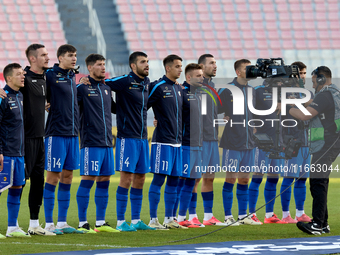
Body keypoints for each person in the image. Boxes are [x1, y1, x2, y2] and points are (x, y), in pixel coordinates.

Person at [104, 52, 155, 231]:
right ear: (133, 66)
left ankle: (135, 220)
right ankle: (120, 222)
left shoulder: (147, 83)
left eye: (147, 62)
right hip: (127, 138)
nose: (146, 65)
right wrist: (114, 107)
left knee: (140, 179)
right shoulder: (125, 81)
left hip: (142, 139)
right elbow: (103, 84)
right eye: (143, 62)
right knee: (126, 179)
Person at [289, 66, 340, 235]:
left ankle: (317, 223)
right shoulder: (333, 93)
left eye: (313, 81)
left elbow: (305, 115)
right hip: (332, 143)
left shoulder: (325, 95)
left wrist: (288, 109)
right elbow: (315, 106)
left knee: (318, 182)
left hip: (327, 144)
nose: (313, 86)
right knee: (321, 181)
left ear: (320, 79)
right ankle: (322, 223)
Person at [76, 54, 119, 234]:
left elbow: (117, 109)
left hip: (107, 143)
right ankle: (82, 222)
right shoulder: (81, 88)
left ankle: (100, 222)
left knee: (105, 181)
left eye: (104, 64)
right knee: (88, 180)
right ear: (90, 67)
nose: (103, 67)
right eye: (100, 65)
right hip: (90, 142)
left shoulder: (107, 88)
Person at [43, 44, 83, 234]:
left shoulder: (71, 77)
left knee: (68, 177)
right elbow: (32, 81)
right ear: (60, 58)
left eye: (75, 55)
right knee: (53, 177)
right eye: (70, 55)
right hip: (56, 134)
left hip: (73, 134)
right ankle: (48, 224)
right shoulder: (50, 74)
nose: (74, 58)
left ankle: (62, 223)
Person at [218, 59, 261, 226]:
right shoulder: (227, 90)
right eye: (247, 68)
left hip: (249, 143)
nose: (251, 71)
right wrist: (224, 118)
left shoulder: (253, 91)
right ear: (238, 72)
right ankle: (228, 217)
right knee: (231, 179)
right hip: (232, 142)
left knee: (244, 180)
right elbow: (214, 110)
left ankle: (243, 216)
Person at [18, 44, 55, 236]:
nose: (48, 58)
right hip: (24, 140)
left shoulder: (45, 79)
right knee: (18, 183)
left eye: (47, 54)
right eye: (44, 55)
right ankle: (12, 225)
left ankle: (34, 224)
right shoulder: (23, 78)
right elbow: (8, 87)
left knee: (38, 182)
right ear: (33, 59)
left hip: (40, 139)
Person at [148, 54, 186, 229]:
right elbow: (141, 106)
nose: (180, 69)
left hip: (177, 142)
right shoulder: (157, 86)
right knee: (159, 179)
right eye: (177, 66)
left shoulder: (179, 89)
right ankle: (153, 220)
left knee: (174, 180)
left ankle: (169, 219)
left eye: (181, 66)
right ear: (168, 68)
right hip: (162, 141)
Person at [190, 54, 223, 226]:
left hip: (212, 138)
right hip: (199, 140)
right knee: (195, 178)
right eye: (211, 63)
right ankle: (190, 216)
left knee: (209, 177)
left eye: (215, 63)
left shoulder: (212, 87)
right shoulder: (194, 87)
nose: (215, 66)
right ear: (201, 67)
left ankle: (208, 216)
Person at [248, 79, 287, 224]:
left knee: (273, 178)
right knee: (257, 176)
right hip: (262, 142)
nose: (282, 82)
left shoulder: (282, 93)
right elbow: (248, 110)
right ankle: (251, 214)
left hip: (278, 142)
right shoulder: (257, 90)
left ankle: (269, 214)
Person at [280, 61, 312, 223]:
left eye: (304, 73)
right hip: (291, 141)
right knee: (288, 177)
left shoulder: (307, 93)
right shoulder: (283, 93)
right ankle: (286, 215)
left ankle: (300, 213)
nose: (302, 76)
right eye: (299, 73)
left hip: (307, 141)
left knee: (302, 178)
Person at [0, 63, 30, 237]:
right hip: (6, 152)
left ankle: (12, 227)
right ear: (9, 78)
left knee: (17, 187)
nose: (23, 76)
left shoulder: (20, 95)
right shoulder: (2, 97)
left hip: (19, 153)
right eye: (19, 74)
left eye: (23, 74)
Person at [175, 63, 204, 228]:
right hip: (185, 144)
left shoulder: (200, 94)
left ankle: (187, 217)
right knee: (183, 181)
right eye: (198, 76)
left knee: (193, 181)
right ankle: (177, 218)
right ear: (188, 77)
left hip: (198, 145)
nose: (202, 78)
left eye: (202, 75)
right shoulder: (181, 92)